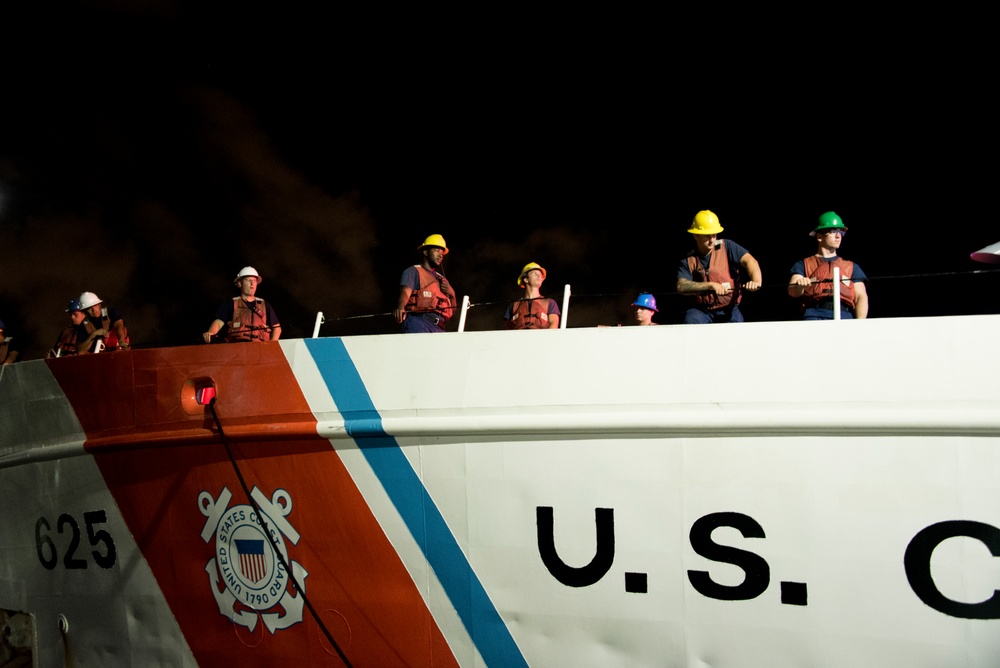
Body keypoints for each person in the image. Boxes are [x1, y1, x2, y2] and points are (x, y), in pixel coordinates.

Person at [676, 210, 762, 324]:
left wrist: (756, 281)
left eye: (714, 235)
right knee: (691, 319)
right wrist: (710, 285)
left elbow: (751, 262)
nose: (712, 240)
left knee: (737, 327)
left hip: (729, 308)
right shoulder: (688, 259)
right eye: (707, 236)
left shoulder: (727, 246)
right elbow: (681, 286)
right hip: (701, 310)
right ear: (696, 235)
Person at [788, 211, 869, 320]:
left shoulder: (852, 267)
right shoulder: (803, 264)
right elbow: (792, 291)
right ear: (820, 236)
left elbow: (861, 297)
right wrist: (800, 285)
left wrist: (860, 323)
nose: (838, 236)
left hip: (844, 315)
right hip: (814, 314)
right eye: (833, 231)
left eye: (841, 232)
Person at [394, 234, 457, 333]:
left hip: (440, 329)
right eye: (437, 250)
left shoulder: (442, 279)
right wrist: (401, 307)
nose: (441, 255)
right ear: (426, 252)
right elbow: (405, 292)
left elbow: (452, 310)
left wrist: (452, 293)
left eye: (442, 252)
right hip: (419, 323)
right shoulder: (414, 271)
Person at [203, 266, 281, 343]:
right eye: (249, 280)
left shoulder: (265, 305)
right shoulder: (231, 303)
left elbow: (277, 328)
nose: (252, 283)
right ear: (240, 283)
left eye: (254, 281)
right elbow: (219, 322)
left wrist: (271, 346)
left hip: (259, 350)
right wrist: (211, 332)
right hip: (236, 349)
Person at [505, 262, 561, 329]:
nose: (539, 276)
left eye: (540, 274)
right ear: (526, 279)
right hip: (519, 339)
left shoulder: (550, 303)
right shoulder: (513, 306)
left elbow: (554, 324)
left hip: (542, 338)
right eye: (534, 273)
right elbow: (507, 329)